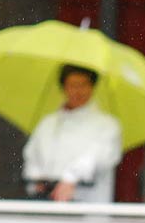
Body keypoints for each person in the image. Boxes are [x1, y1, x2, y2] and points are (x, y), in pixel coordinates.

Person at [22, 65, 124, 202]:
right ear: (63, 87)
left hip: (87, 205)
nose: (78, 91)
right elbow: (32, 155)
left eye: (83, 85)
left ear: (92, 87)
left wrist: (70, 178)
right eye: (72, 85)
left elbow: (99, 157)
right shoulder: (48, 123)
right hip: (45, 202)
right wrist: (37, 179)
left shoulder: (107, 125)